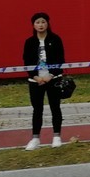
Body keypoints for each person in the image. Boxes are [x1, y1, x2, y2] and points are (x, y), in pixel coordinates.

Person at [22, 12, 66, 150]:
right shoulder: (30, 42)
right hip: (35, 81)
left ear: (47, 23)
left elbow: (60, 60)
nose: (40, 25)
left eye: (43, 22)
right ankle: (35, 138)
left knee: (55, 107)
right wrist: (36, 77)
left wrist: (50, 75)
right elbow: (27, 61)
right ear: (33, 25)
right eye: (37, 22)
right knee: (37, 109)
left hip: (52, 79)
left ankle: (57, 136)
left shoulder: (55, 39)